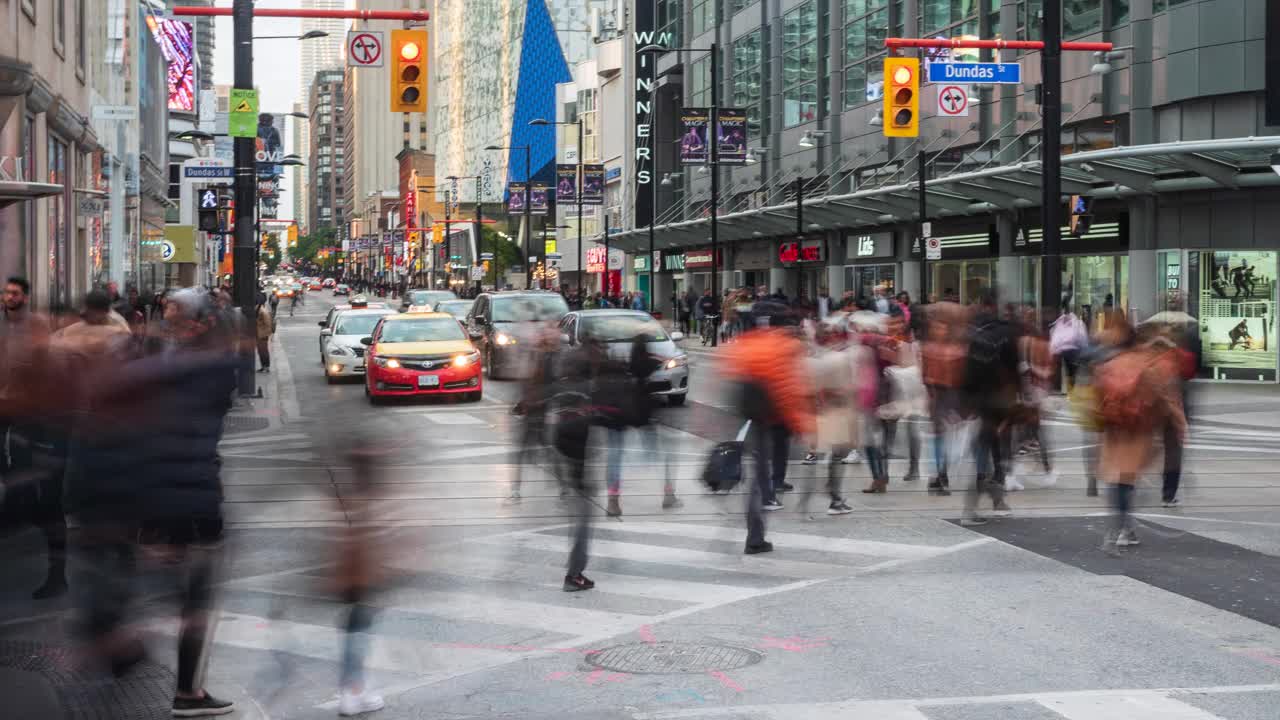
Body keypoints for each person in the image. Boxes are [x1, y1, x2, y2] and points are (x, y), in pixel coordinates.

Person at [65, 288, 238, 716]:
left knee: (153, 580)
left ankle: (114, 638)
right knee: (195, 599)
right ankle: (186, 692)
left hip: (146, 497)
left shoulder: (152, 367)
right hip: (188, 500)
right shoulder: (202, 372)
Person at [723, 307, 816, 552]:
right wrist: (799, 422)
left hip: (748, 414)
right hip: (769, 418)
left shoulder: (745, 344)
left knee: (756, 473)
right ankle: (755, 537)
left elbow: (729, 377)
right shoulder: (781, 346)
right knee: (759, 476)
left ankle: (756, 530)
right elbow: (787, 388)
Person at [1094, 324, 1186, 552]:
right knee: (1127, 480)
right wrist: (1179, 422)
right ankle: (1123, 528)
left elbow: (1097, 397)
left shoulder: (1109, 365)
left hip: (1114, 428)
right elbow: (1163, 397)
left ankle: (1122, 527)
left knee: (1117, 480)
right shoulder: (1146, 365)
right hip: (1137, 429)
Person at [960, 289, 1018, 525]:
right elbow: (1014, 368)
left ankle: (995, 499)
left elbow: (966, 369)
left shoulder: (971, 333)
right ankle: (976, 506)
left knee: (986, 449)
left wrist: (966, 401)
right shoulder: (1005, 332)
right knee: (997, 451)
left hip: (980, 400)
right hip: (1000, 399)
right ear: (995, 306)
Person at [256, 299, 273, 372]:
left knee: (263, 351)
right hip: (259, 334)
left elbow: (268, 324)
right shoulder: (258, 310)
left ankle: (266, 367)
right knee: (260, 351)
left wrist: (266, 334)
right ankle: (263, 366)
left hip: (262, 335)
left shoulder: (262, 311)